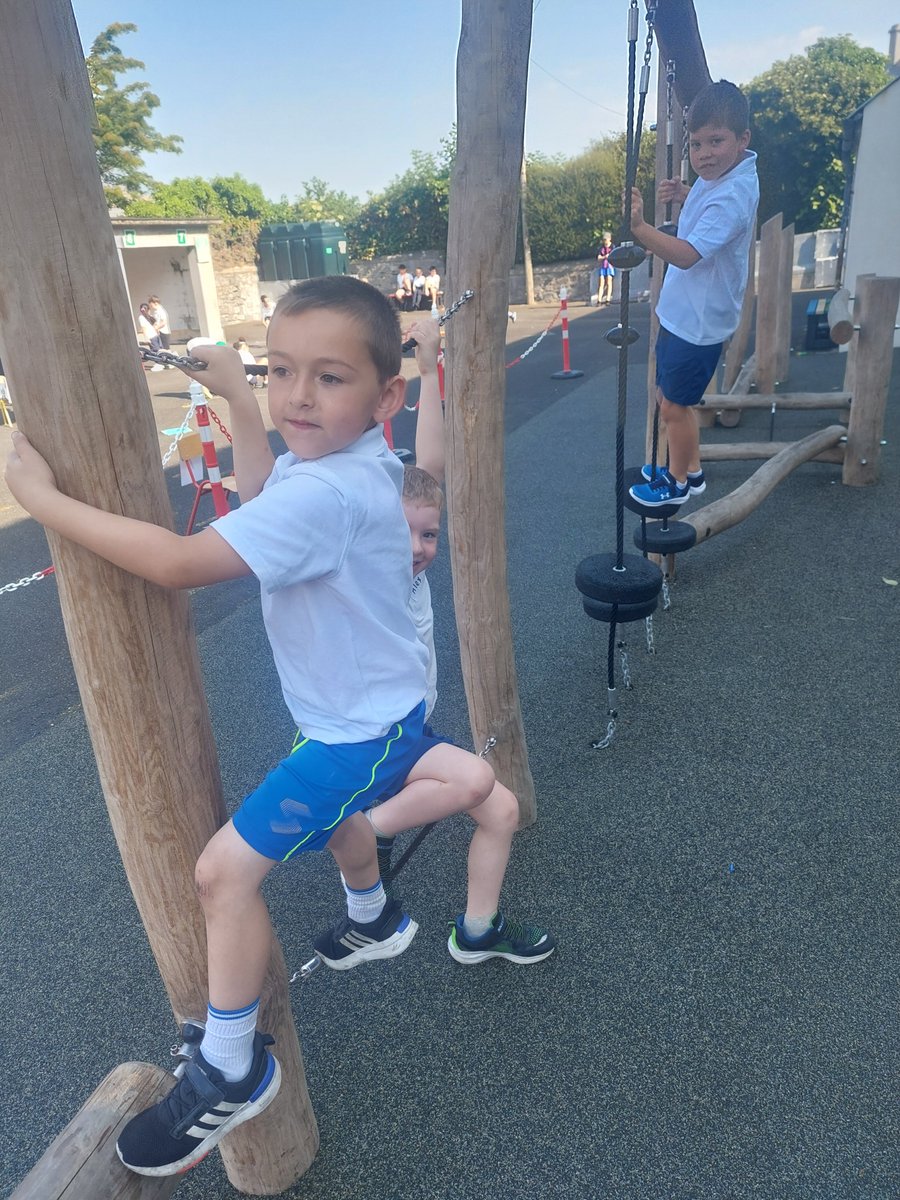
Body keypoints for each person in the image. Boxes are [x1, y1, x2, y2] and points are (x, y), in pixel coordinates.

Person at [5, 276, 495, 1177]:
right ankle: (373, 914)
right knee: (335, 815)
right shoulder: (358, 464)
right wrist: (235, 392)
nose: (299, 396)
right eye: (282, 371)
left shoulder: (332, 496)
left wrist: (42, 502)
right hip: (367, 719)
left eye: (330, 377)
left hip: (361, 730)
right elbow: (265, 484)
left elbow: (177, 561)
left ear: (387, 396)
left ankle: (231, 1069)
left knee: (220, 874)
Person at [324, 316, 555, 967]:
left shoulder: (411, 527)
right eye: (408, 536)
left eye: (430, 536)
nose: (420, 548)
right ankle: (362, 838)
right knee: (474, 788)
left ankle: (476, 932)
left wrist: (430, 365)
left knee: (501, 811)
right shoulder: (365, 565)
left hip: (407, 728)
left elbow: (427, 468)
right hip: (369, 736)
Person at [627, 80, 758, 509]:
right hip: (683, 313)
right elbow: (706, 206)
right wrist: (685, 195)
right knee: (670, 398)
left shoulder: (733, 196)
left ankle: (677, 483)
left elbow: (686, 256)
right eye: (695, 143)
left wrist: (642, 231)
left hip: (697, 325)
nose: (702, 153)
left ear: (742, 140)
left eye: (715, 141)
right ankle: (693, 468)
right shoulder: (724, 175)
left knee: (673, 408)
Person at [137, 303, 165, 370]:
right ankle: (163, 362)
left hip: (150, 336)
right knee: (159, 349)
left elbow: (144, 328)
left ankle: (159, 364)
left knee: (155, 350)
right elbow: (155, 325)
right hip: (155, 335)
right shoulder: (150, 316)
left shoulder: (141, 317)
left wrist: (146, 337)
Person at [596, 233, 616, 305]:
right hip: (603, 266)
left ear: (609, 239)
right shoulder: (601, 247)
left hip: (610, 266)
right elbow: (599, 257)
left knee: (609, 282)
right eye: (604, 240)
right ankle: (599, 300)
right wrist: (605, 256)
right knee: (601, 283)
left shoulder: (612, 247)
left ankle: (608, 299)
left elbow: (613, 256)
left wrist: (606, 256)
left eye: (606, 239)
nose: (605, 241)